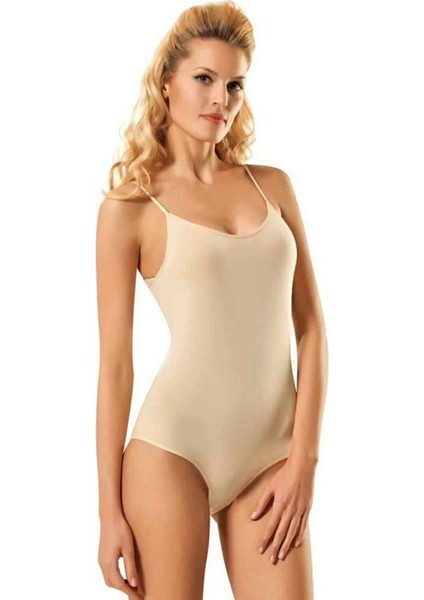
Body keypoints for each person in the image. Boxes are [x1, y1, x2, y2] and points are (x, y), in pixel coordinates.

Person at [95, 2, 328, 599]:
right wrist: (108, 513)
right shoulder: (129, 208)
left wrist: (303, 462)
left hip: (272, 456)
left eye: (234, 85)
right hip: (172, 451)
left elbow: (311, 330)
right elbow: (116, 365)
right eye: (204, 78)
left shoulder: (273, 186)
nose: (220, 99)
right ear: (166, 83)